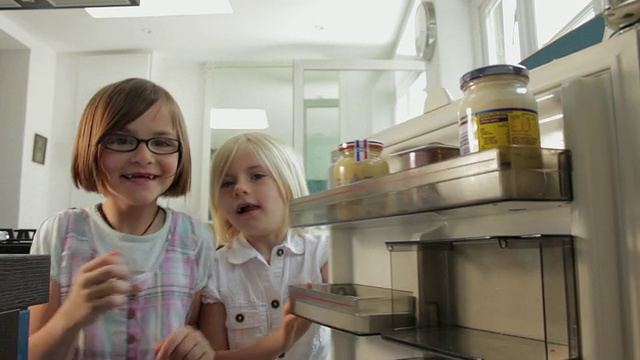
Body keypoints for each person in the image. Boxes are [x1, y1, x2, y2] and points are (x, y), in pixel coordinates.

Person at [28, 78, 216, 360]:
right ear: (91, 147)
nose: (143, 156)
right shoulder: (59, 233)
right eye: (121, 140)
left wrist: (196, 347)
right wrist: (70, 317)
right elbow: (27, 353)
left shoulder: (196, 239)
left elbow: (194, 336)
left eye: (162, 142)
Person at [200, 132, 330, 359]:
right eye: (227, 182)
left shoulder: (323, 252)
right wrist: (276, 344)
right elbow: (211, 356)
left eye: (257, 176)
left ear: (287, 184)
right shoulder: (215, 270)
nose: (239, 188)